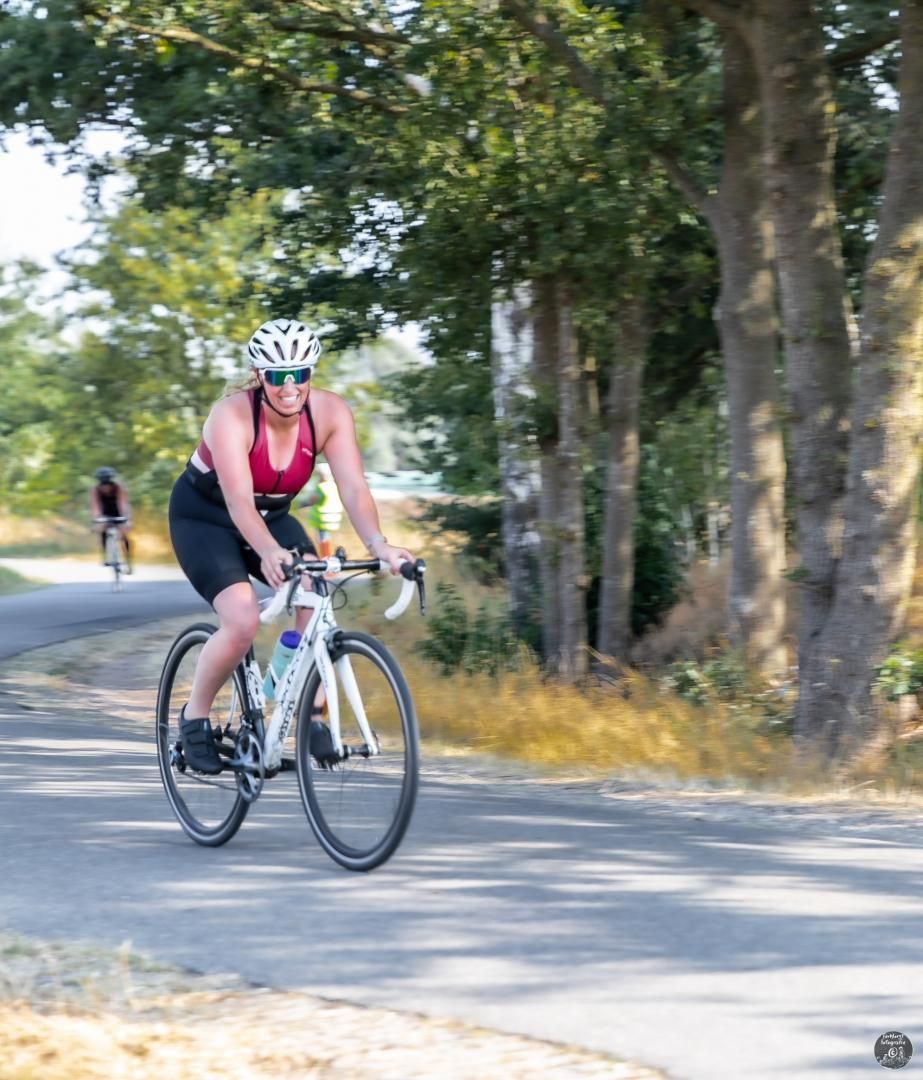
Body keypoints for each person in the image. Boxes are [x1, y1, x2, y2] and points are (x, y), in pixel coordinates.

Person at [168, 317, 414, 774]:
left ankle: (306, 714)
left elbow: (354, 488)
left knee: (316, 598)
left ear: (310, 375)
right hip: (205, 518)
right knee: (241, 620)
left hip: (273, 518)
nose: (288, 388)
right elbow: (238, 501)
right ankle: (194, 718)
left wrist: (380, 545)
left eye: (299, 375)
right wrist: (266, 551)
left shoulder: (330, 414)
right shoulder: (232, 416)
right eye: (277, 377)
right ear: (259, 376)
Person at [90, 466, 133, 571]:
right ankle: (105, 556)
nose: (106, 487)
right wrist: (98, 518)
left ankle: (128, 558)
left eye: (108, 484)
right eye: (104, 485)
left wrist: (126, 518)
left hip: (118, 511)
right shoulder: (95, 490)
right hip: (104, 513)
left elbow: (122, 502)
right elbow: (96, 505)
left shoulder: (119, 487)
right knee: (102, 530)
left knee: (124, 534)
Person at [300, 461, 343, 558]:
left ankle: (326, 559)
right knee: (330, 539)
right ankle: (334, 557)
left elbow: (314, 499)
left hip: (322, 520)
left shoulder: (321, 487)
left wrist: (302, 504)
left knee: (323, 540)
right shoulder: (334, 486)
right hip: (334, 517)